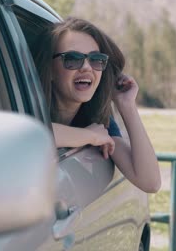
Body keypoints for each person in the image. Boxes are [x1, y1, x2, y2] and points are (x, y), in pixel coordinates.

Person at [32, 17, 161, 193]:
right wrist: (88, 136)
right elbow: (27, 135)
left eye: (96, 59)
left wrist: (127, 106)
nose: (86, 67)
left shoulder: (97, 118)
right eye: (72, 58)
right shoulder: (25, 106)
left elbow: (150, 182)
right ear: (50, 69)